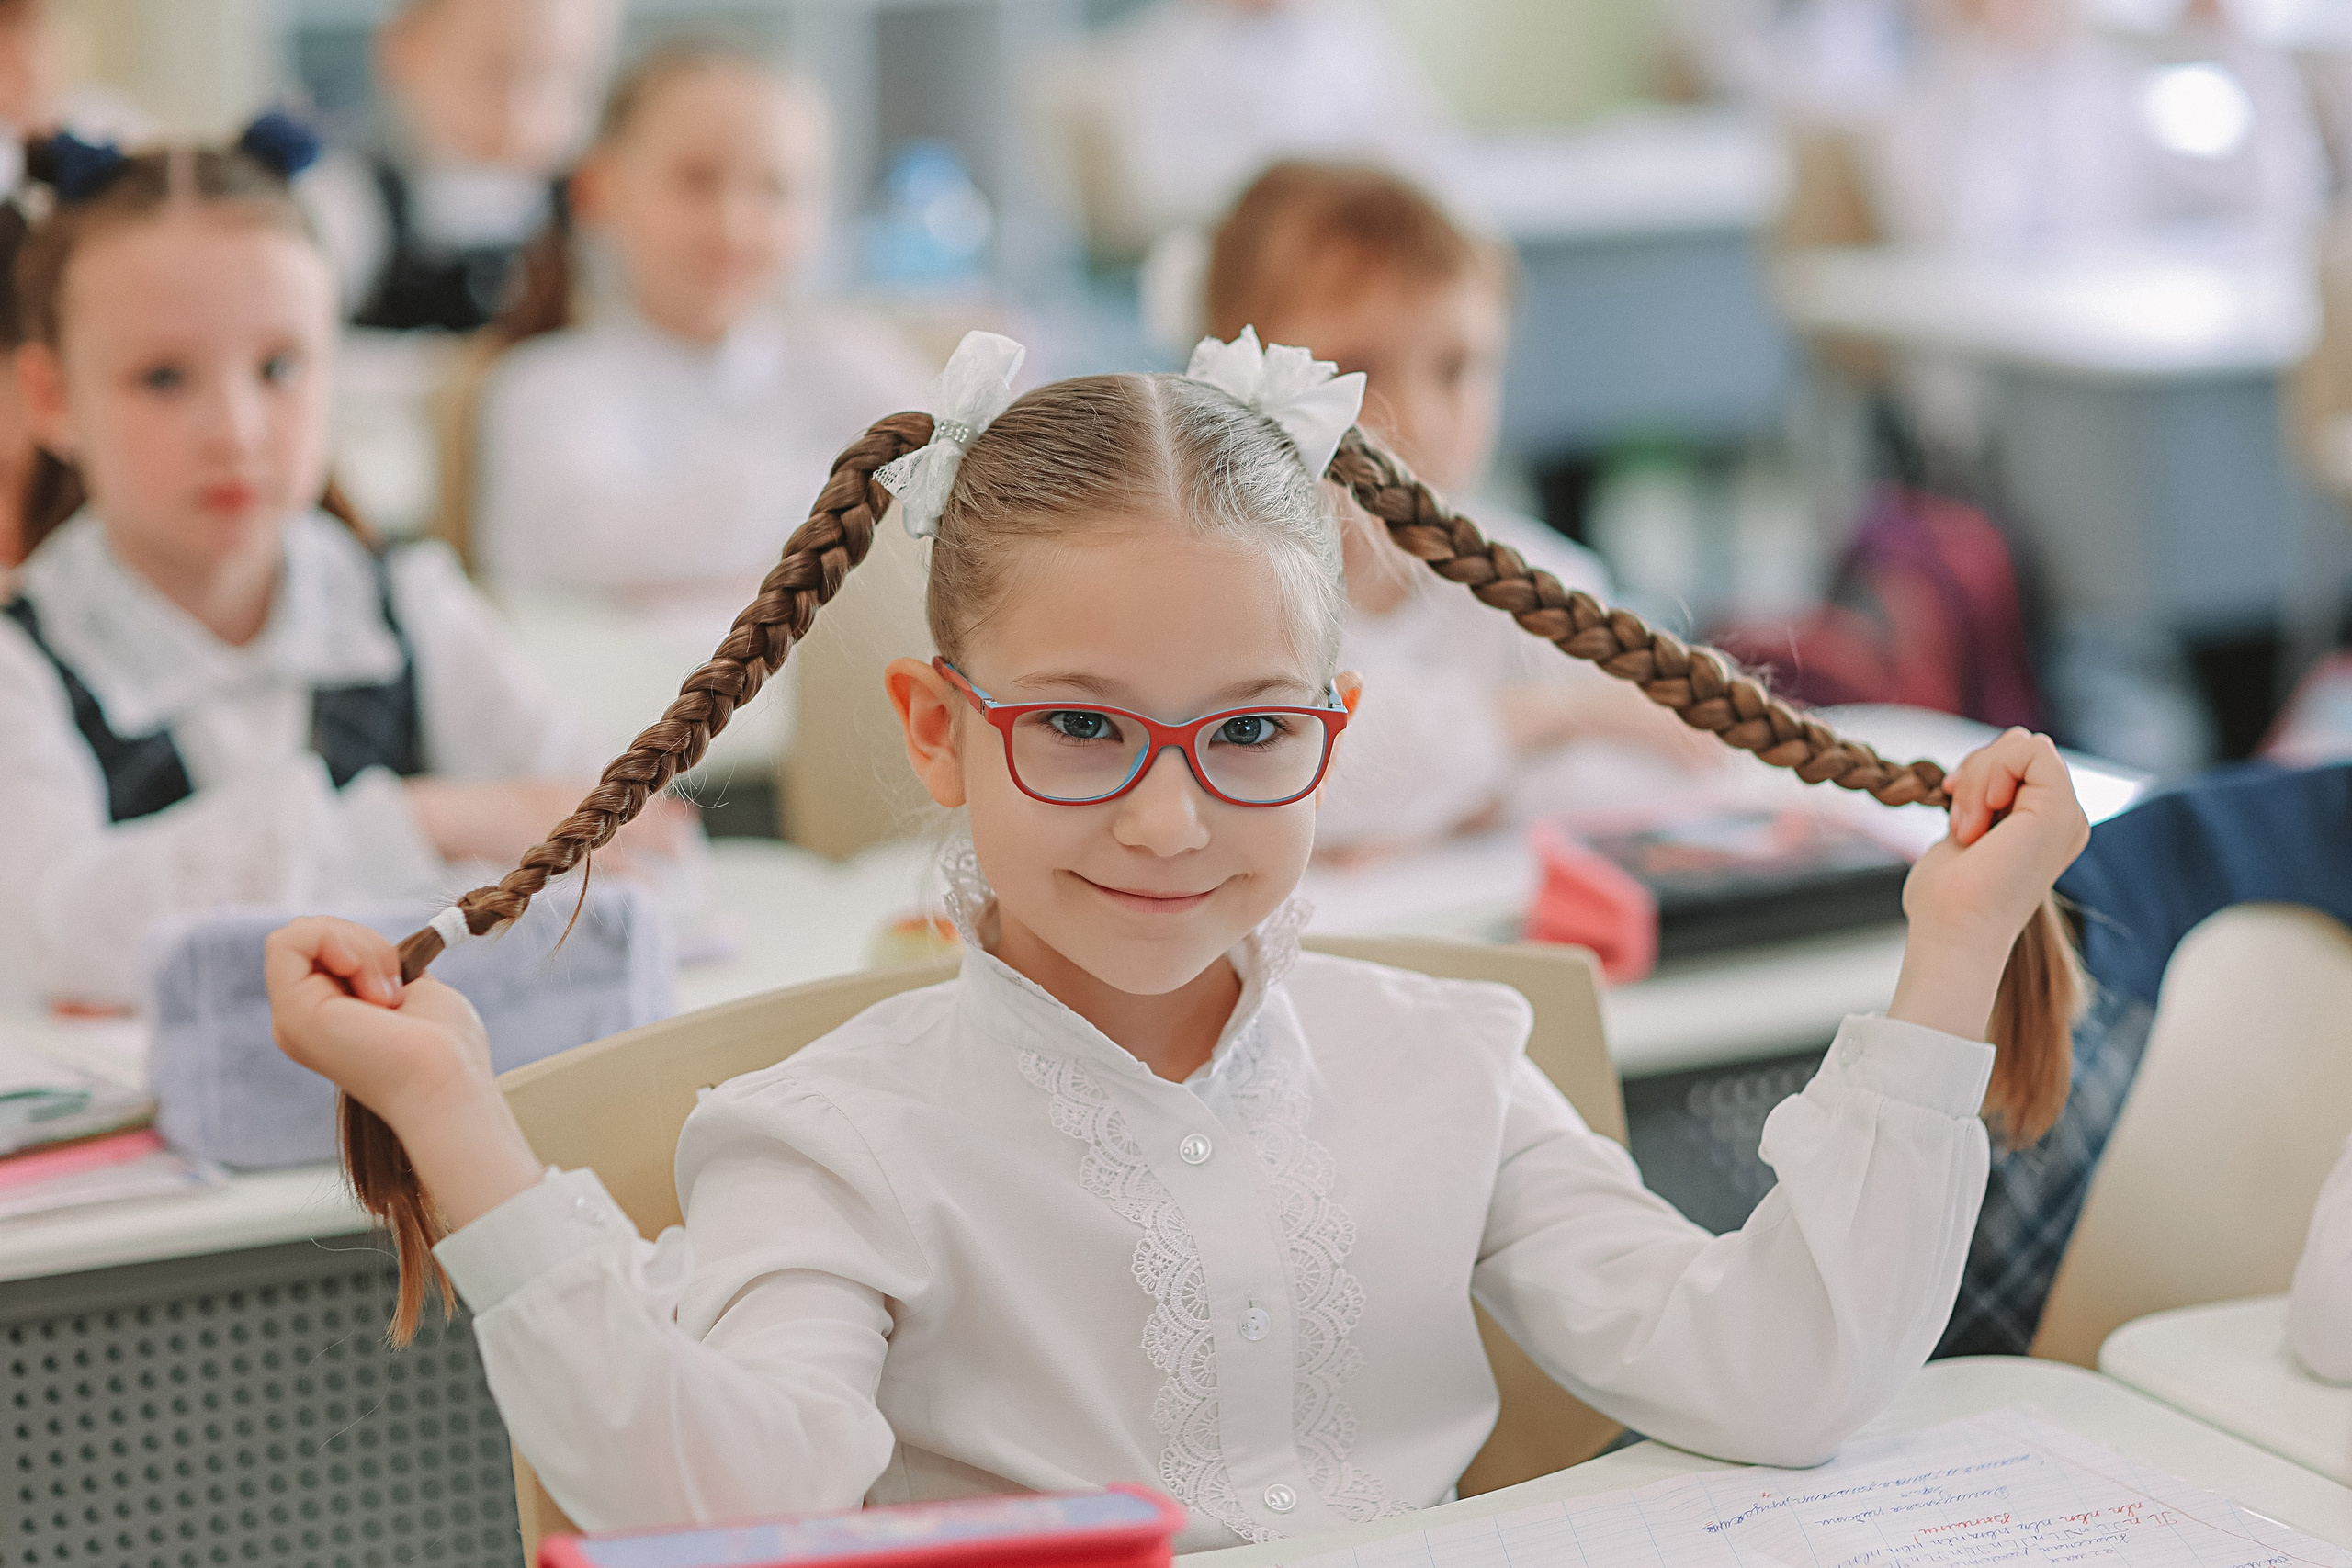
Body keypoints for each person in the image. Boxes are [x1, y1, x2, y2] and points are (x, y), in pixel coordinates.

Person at [265, 323, 2088, 1551]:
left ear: (1331, 730)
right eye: (1075, 726)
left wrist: (1945, 960)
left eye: (1245, 732)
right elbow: (723, 1491)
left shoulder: (1443, 1063)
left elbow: (1776, 1373)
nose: (1166, 816)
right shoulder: (830, 1134)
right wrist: (459, 1123)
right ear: (933, 727)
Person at [0, 121, 686, 1012]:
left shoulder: (405, 602)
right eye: (164, 378)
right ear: (52, 398)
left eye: (279, 366)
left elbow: (633, 842)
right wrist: (426, 822)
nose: (236, 431)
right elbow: (56, 938)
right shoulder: (26, 663)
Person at [1202, 163, 1716, 852]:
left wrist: (1450, 799)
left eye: (1456, 368)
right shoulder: (1220, 591)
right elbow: (1271, 777)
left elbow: (1670, 755)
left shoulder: (1533, 578)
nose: (1415, 417)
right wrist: (1547, 718)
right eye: (1356, 367)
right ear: (1238, 375)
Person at [472, 42, 928, 637]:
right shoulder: (540, 388)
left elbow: (958, 497)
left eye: (775, 188)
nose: (734, 223)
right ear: (598, 189)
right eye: (696, 180)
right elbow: (597, 549)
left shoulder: (849, 360)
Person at [1872, 0, 2322, 255]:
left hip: (2126, 370)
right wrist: (2000, 63)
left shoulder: (2112, 88)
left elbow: (2277, 209)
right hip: (2005, 393)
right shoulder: (1917, 113)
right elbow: (1975, 252)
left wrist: (2228, 42)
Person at [1044, 0, 1455, 261]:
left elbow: (1419, 140)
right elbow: (1162, 185)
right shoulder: (1169, 52)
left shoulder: (1348, 35)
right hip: (1242, 248)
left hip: (1353, 238)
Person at [305, 0, 620, 331]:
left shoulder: (590, 213)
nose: (522, 115)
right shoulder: (349, 203)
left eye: (564, 81)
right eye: (494, 74)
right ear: (406, 49)